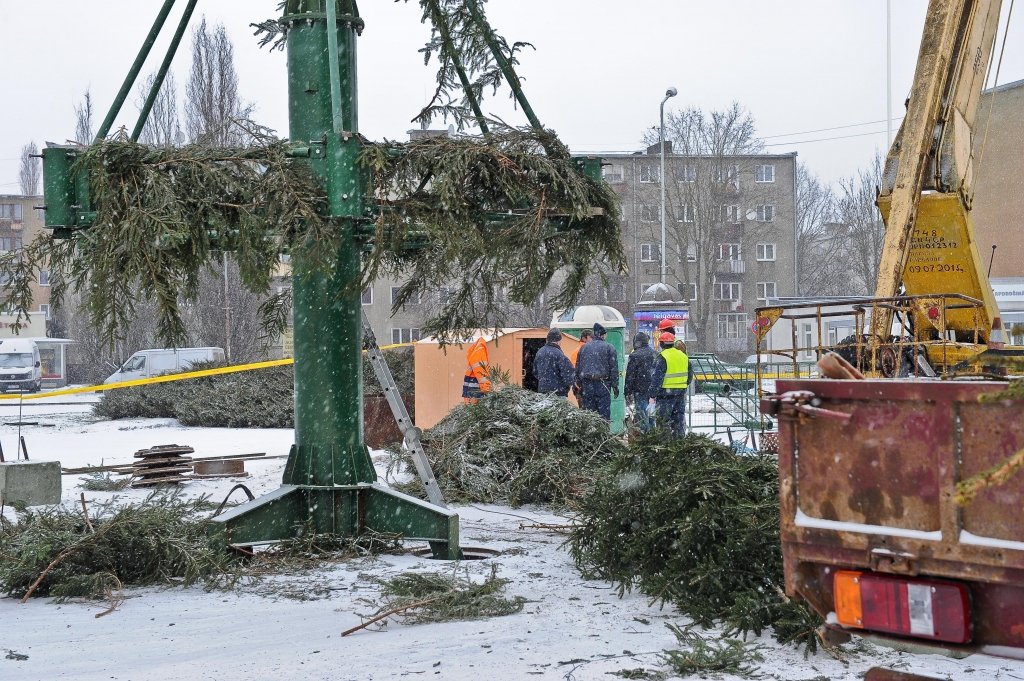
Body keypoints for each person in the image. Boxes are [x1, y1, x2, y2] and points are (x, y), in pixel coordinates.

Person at [649, 331, 693, 436]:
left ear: (661, 344)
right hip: (680, 394)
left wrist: (652, 394)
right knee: (678, 422)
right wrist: (682, 385)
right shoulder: (683, 356)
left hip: (665, 396)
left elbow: (657, 378)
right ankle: (679, 443)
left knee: (663, 423)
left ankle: (664, 444)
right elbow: (690, 375)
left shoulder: (662, 357)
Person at [575, 323, 619, 421]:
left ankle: (590, 430)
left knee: (589, 415)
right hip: (603, 384)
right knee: (604, 415)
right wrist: (615, 385)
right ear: (603, 335)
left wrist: (578, 384)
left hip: (587, 385)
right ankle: (603, 429)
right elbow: (614, 368)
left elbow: (578, 367)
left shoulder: (584, 347)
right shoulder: (609, 347)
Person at [623, 331, 656, 431]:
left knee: (642, 414)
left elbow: (630, 375)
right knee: (652, 413)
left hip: (640, 389)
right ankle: (653, 433)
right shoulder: (655, 354)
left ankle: (645, 435)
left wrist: (627, 391)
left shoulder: (634, 355)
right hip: (653, 389)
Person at [533, 329, 576, 397]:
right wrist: (568, 386)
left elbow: (535, 371)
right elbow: (568, 373)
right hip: (558, 392)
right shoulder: (559, 354)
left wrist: (544, 381)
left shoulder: (540, 352)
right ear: (559, 341)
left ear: (547, 339)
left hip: (542, 390)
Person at [462, 336, 491, 405]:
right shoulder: (480, 351)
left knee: (470, 408)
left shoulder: (477, 350)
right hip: (476, 386)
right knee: (477, 409)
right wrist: (486, 388)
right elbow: (481, 371)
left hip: (471, 384)